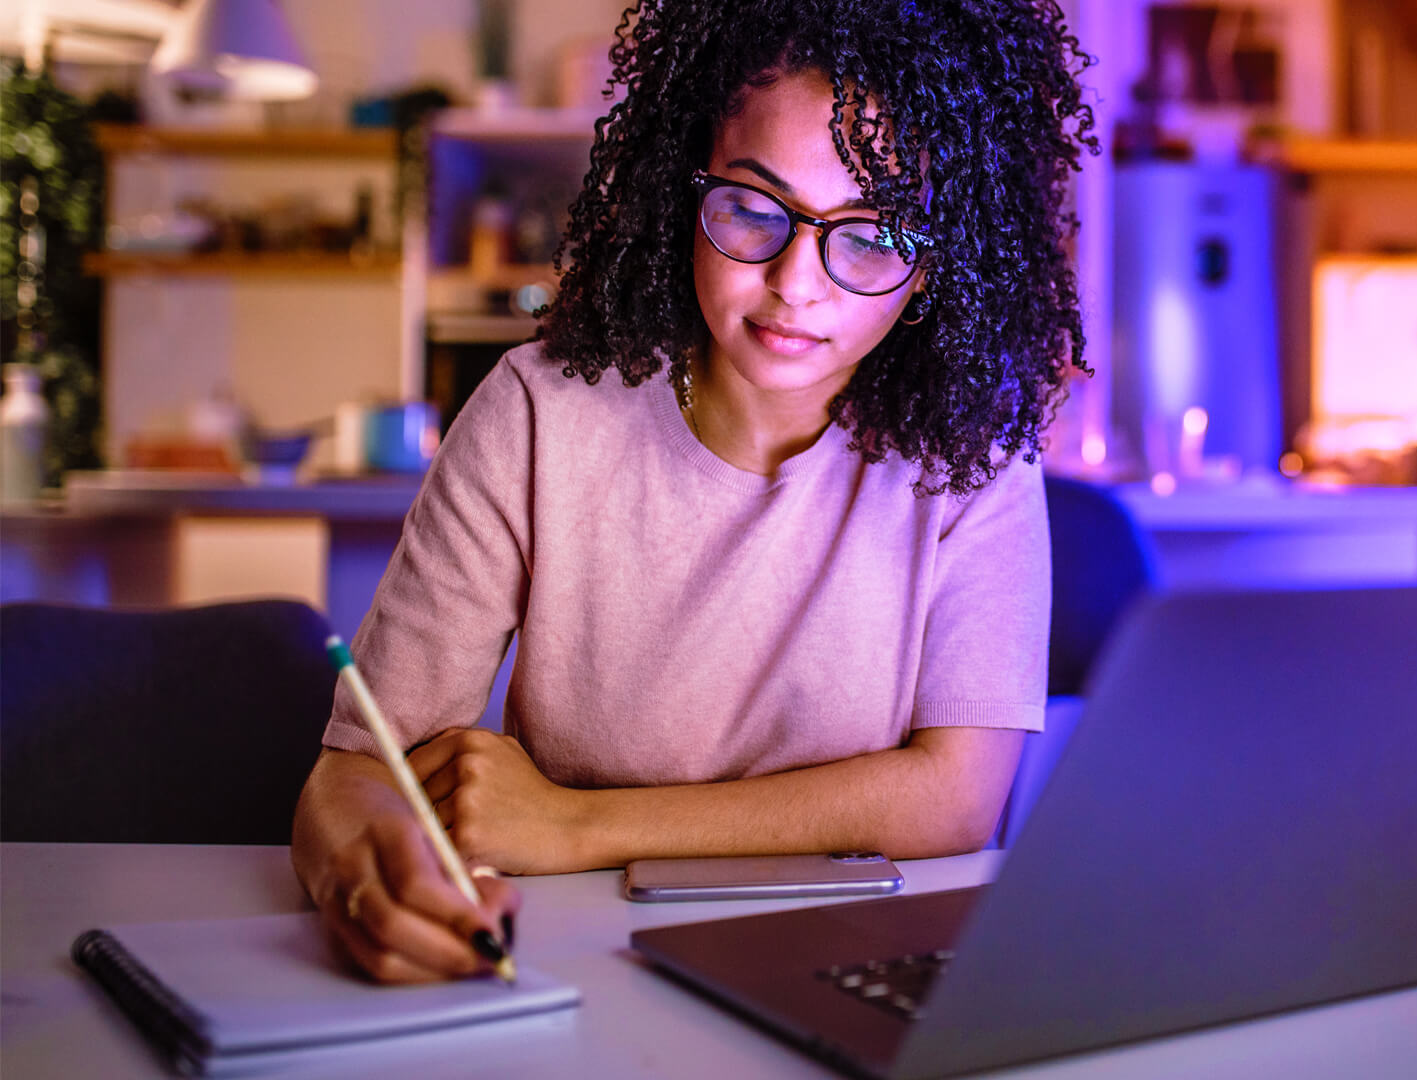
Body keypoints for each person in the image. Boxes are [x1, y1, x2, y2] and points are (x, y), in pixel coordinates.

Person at [290, 0, 1097, 985]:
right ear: (685, 190)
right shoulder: (539, 415)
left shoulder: (974, 456)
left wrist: (575, 823)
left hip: (856, 964)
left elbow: (956, 801)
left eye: (875, 234)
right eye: (754, 210)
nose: (798, 283)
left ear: (941, 262)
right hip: (580, 967)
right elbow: (361, 770)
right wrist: (367, 884)